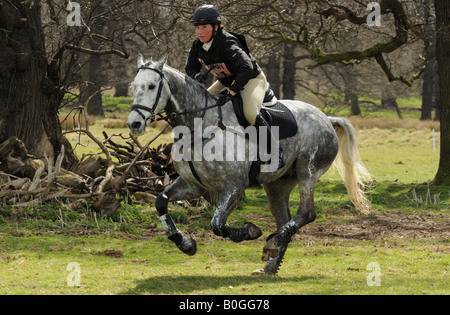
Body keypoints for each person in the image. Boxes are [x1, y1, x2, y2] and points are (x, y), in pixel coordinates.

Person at [185, 4, 284, 169]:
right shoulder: (197, 45)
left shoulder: (228, 42)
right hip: (226, 81)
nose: (199, 31)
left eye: (204, 27)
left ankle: (275, 153)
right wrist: (197, 76)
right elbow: (190, 67)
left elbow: (246, 68)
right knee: (201, 108)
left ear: (216, 27)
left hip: (251, 79)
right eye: (197, 27)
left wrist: (232, 91)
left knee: (250, 113)